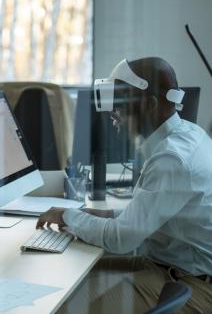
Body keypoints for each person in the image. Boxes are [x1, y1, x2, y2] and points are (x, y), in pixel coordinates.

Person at [37, 57, 212, 313]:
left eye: (120, 103)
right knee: (65, 285)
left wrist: (67, 215)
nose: (113, 113)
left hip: (189, 285)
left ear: (150, 105)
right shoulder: (188, 134)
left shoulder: (171, 159)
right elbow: (155, 215)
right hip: (171, 270)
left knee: (64, 307)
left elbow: (121, 239)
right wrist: (108, 214)